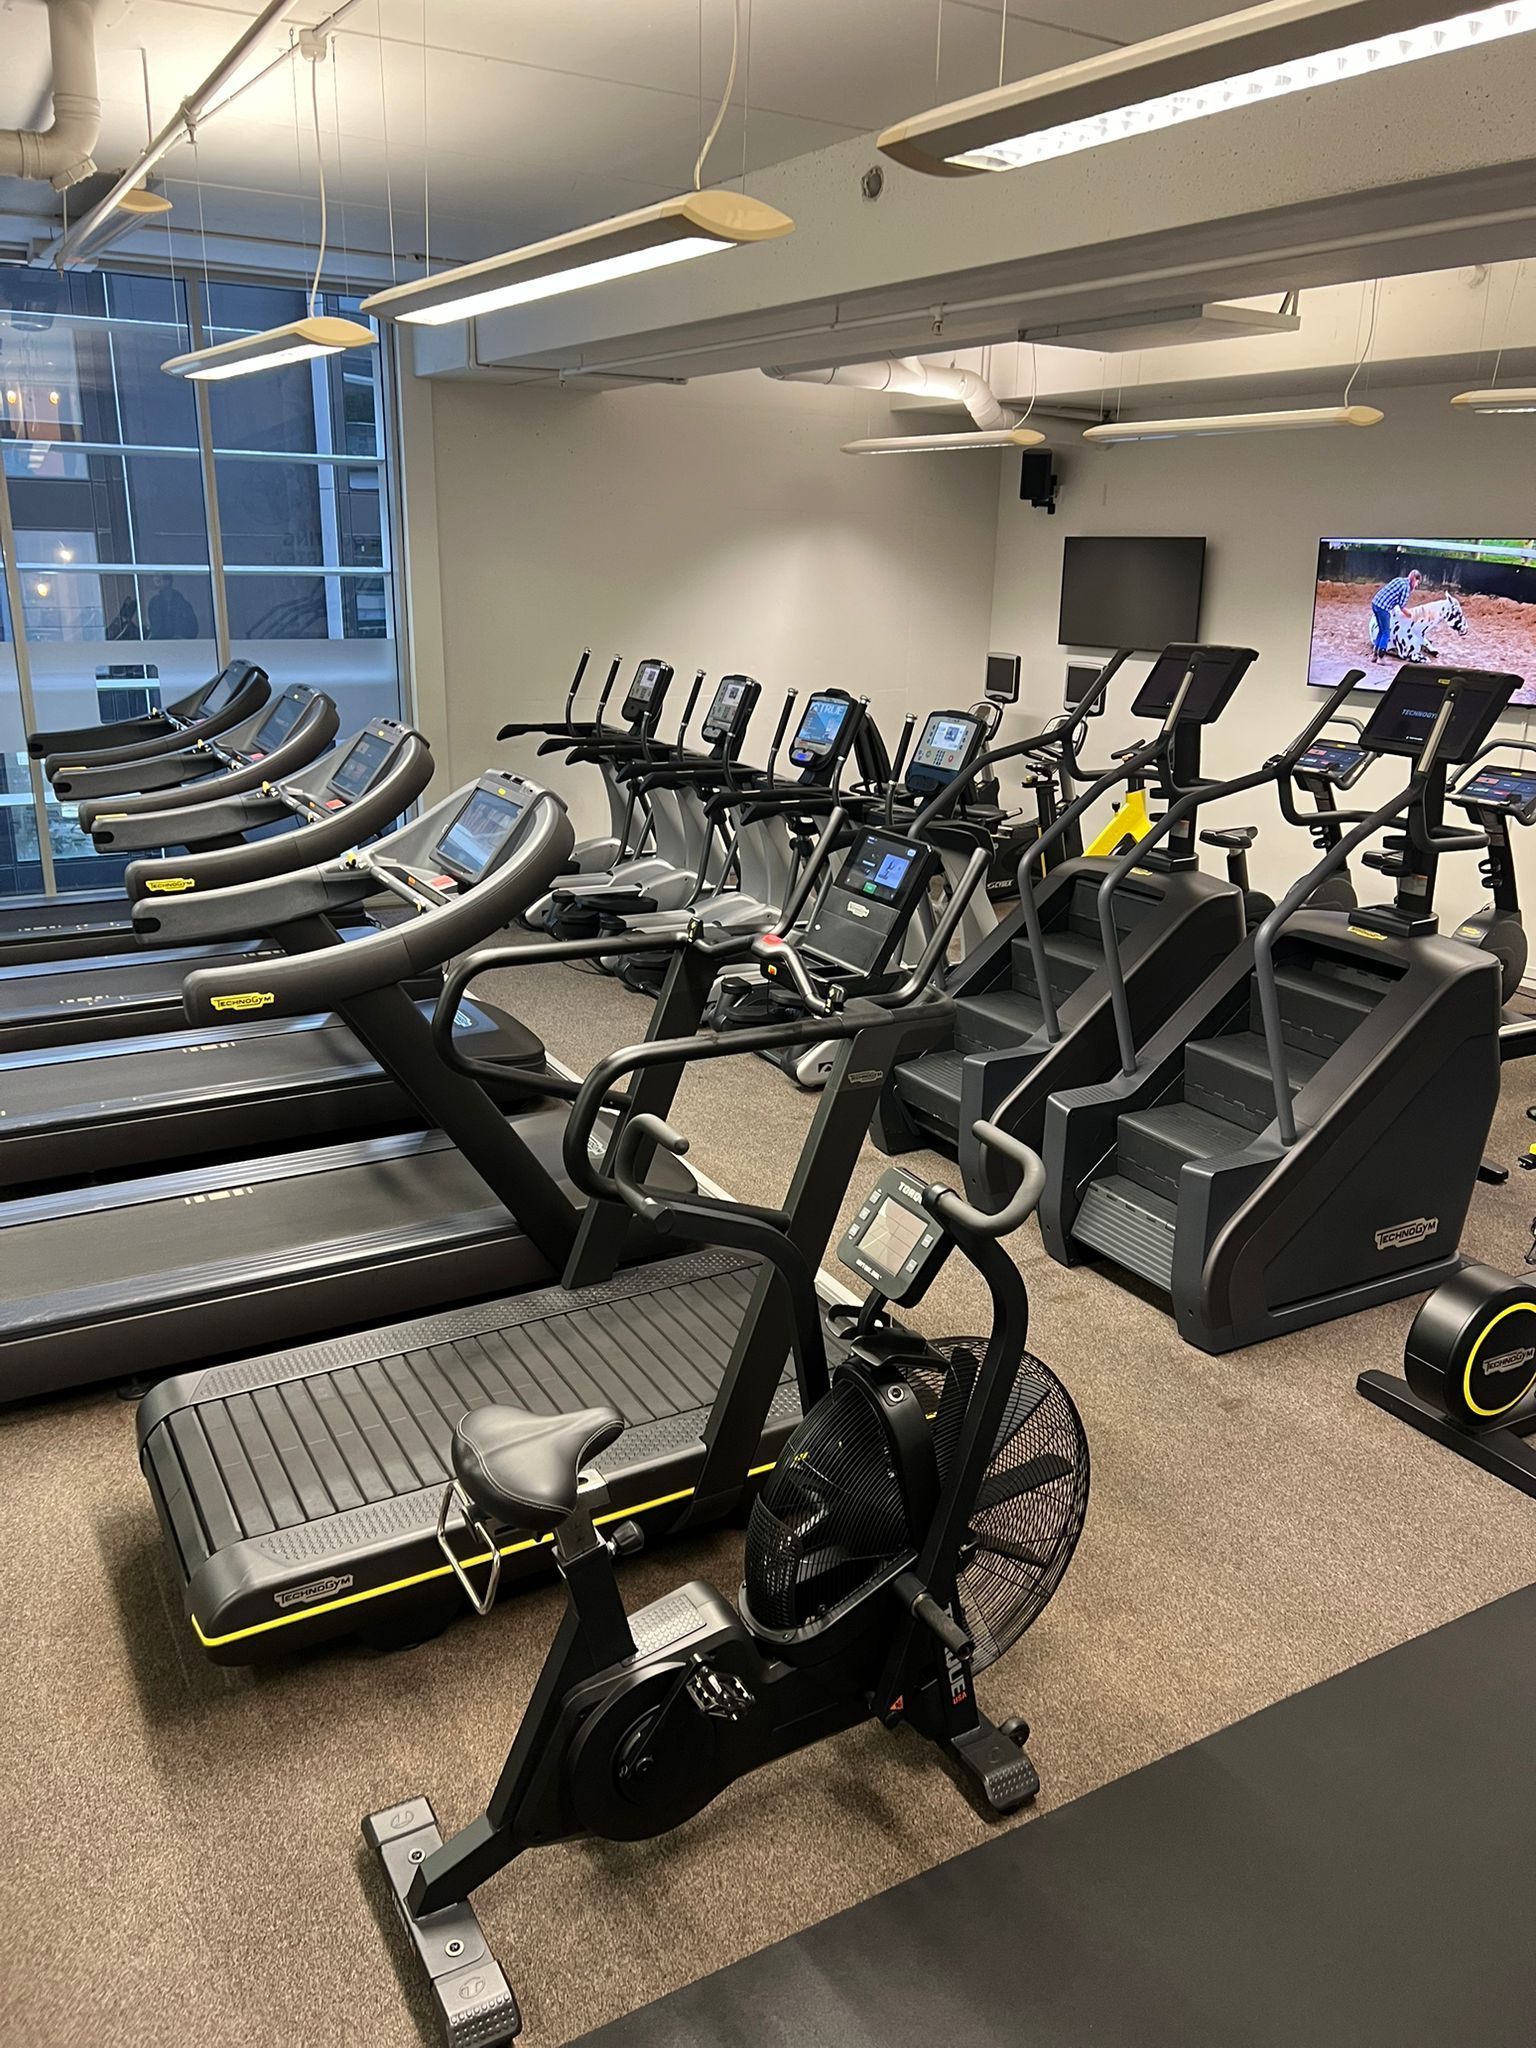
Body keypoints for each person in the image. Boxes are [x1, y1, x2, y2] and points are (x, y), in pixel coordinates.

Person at [1370, 567, 1421, 662]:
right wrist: (1410, 615)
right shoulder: (1406, 588)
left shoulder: (1399, 580)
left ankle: (1375, 654)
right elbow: (1402, 606)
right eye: (1417, 583)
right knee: (1386, 632)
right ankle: (1381, 657)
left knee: (1381, 630)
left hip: (1375, 603)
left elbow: (1394, 599)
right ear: (1414, 579)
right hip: (1383, 608)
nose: (1416, 585)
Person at [146, 574, 199, 641]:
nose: (156, 581)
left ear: (168, 581)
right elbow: (156, 628)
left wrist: (181, 636)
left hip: (182, 646)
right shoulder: (154, 603)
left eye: (159, 580)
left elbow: (194, 629)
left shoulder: (183, 605)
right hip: (161, 645)